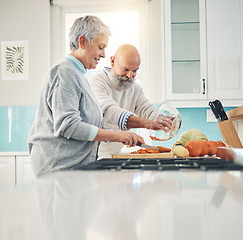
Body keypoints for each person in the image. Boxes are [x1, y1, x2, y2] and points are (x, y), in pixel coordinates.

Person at [27, 16, 144, 176]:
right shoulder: (65, 73)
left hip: (71, 168)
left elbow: (87, 124)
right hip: (57, 168)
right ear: (82, 42)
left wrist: (122, 136)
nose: (103, 55)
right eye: (100, 47)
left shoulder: (78, 74)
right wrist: (116, 135)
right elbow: (69, 126)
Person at [88, 44, 172, 159]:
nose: (130, 76)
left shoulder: (134, 88)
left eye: (135, 71)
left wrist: (160, 119)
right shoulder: (97, 83)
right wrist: (147, 124)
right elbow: (110, 111)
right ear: (112, 62)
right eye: (126, 69)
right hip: (94, 154)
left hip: (116, 154)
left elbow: (146, 108)